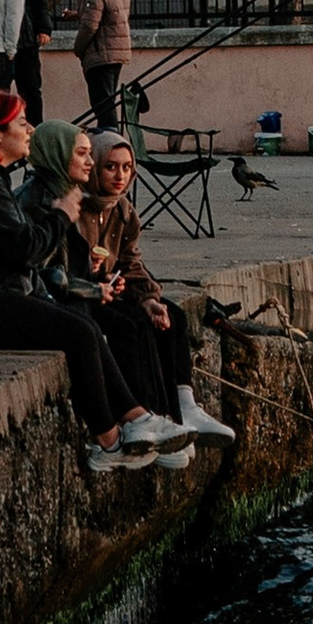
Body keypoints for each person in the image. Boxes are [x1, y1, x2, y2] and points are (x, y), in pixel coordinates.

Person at [0, 89, 183, 477]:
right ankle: (109, 441)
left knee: (85, 325)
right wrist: (61, 215)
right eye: (21, 124)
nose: (30, 131)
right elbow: (26, 250)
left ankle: (136, 419)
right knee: (79, 332)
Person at [84, 130, 234, 445]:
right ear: (94, 167)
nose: (119, 176)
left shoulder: (123, 210)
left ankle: (184, 407)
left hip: (113, 287)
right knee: (132, 324)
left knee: (173, 316)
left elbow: (131, 263)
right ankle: (153, 415)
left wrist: (149, 299)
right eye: (110, 167)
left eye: (126, 168)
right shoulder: (78, 208)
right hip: (88, 293)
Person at [72, 0, 133, 132]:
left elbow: (90, 25)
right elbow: (110, 14)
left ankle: (111, 142)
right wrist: (78, 13)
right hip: (118, 50)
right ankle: (108, 137)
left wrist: (78, 48)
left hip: (101, 53)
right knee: (109, 100)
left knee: (102, 104)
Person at [11, 0, 51, 121]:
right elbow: (40, 2)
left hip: (21, 39)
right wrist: (43, 29)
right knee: (31, 90)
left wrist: (43, 28)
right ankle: (34, 129)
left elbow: (38, 1)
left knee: (29, 90)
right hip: (24, 39)